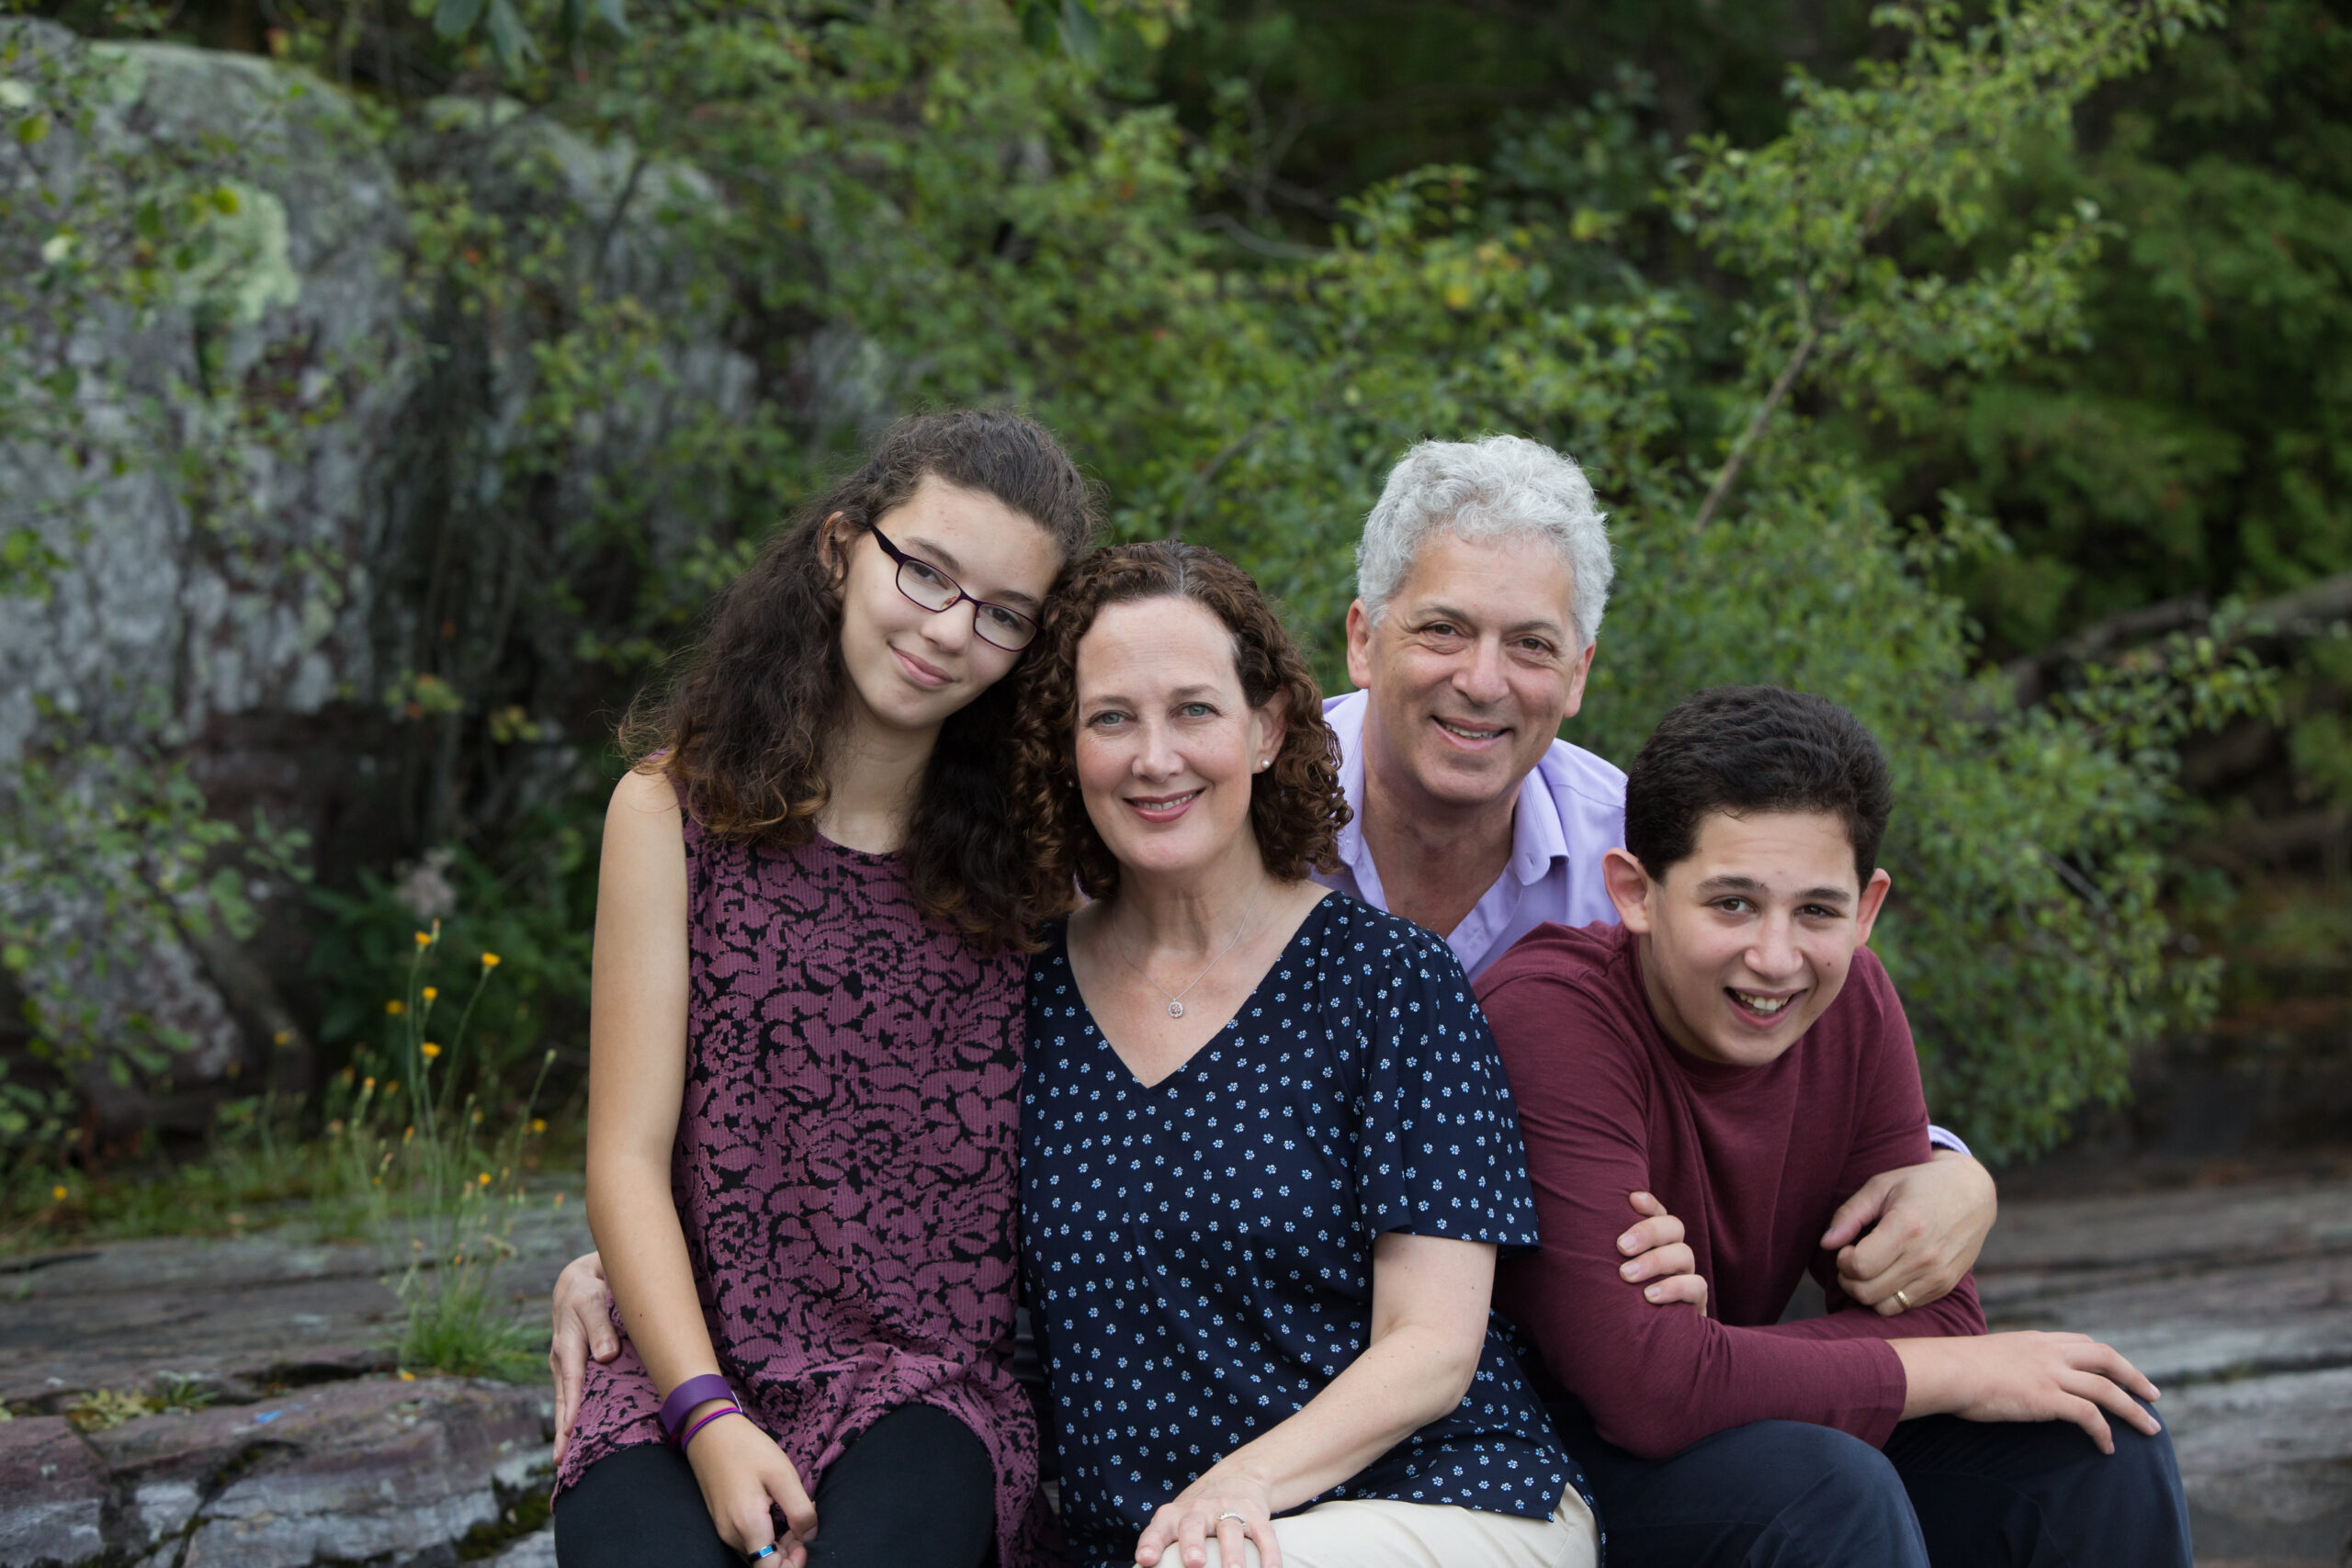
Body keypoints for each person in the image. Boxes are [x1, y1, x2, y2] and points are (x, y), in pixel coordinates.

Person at [1475, 684, 2193, 1567]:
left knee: (2096, 1439)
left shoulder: (1854, 1002)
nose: (1775, 958)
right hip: (1529, 1471)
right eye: (1730, 903)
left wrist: (1714, 1356)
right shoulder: (1550, 1018)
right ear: (1635, 891)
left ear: (1866, 908)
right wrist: (1948, 1370)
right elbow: (1644, 1388)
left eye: (1816, 910)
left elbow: (1935, 1321)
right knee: (1827, 1487)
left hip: (1727, 1424)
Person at [548, 411, 1096, 1568]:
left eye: (1003, 614)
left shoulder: (1044, 869)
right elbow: (626, 1160)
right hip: (685, 1369)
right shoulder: (668, 817)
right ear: (846, 547)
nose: (951, 632)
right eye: (927, 573)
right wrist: (705, 1421)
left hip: (926, 1392)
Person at [1008, 540, 1612, 1568]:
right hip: (1151, 1544)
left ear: (1265, 727)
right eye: (1112, 717)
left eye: (1194, 710)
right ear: (1067, 747)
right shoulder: (1024, 997)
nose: (1155, 757)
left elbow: (1433, 1346)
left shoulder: (1389, 983)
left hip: (1435, 1499)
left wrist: (1241, 1488)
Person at [1320, 434, 1996, 1314]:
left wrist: (1946, 1168)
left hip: (1544, 1350)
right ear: (1364, 639)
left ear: (1578, 674)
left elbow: (1772, 1019)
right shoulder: (1239, 820)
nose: (1483, 680)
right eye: (1443, 629)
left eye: (1531, 644)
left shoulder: (1649, 854)